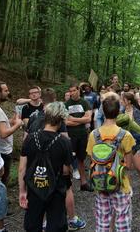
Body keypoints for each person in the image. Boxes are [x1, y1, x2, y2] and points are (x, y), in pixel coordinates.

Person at [26, 88, 86, 231]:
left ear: (42, 99)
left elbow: (25, 142)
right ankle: (72, 219)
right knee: (66, 189)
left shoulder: (34, 116)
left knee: (38, 194)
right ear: (54, 100)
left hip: (35, 167)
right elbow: (65, 139)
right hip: (56, 165)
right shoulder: (56, 116)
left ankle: (44, 222)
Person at [18, 102, 72, 232]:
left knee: (33, 224)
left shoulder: (30, 138)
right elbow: (65, 171)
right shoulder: (64, 142)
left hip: (34, 187)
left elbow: (22, 168)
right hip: (56, 189)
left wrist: (22, 191)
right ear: (61, 120)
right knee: (56, 225)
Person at [87, 95, 135, 232]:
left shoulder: (93, 134)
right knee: (122, 219)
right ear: (119, 111)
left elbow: (92, 158)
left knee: (102, 219)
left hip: (100, 181)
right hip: (120, 183)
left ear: (102, 111)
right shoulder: (125, 135)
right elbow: (129, 165)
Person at [0, 82, 23, 187]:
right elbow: (3, 134)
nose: (8, 93)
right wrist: (17, 125)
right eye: (6, 91)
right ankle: (0, 201)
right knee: (1, 181)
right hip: (2, 151)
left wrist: (10, 121)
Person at [65, 84, 93, 191]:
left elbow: (88, 119)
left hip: (82, 135)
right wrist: (81, 120)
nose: (72, 93)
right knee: (68, 159)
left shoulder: (84, 102)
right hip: (70, 135)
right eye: (70, 91)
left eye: (74, 90)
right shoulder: (66, 104)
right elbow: (66, 122)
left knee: (81, 159)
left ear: (78, 91)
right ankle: (68, 186)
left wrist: (74, 119)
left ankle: (84, 183)